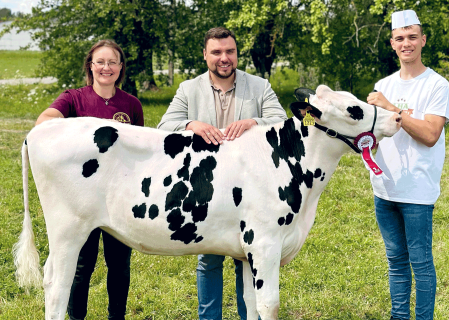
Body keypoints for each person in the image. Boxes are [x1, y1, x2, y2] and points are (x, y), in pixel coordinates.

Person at [158, 27, 287, 320]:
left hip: (252, 189)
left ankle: (249, 316)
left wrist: (254, 121)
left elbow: (282, 122)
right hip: (206, 190)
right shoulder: (188, 89)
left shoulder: (259, 86)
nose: (224, 58)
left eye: (229, 51)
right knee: (209, 260)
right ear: (205, 55)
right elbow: (164, 126)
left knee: (250, 259)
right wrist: (191, 124)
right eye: (216, 52)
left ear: (236, 54)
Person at [36, 39, 143, 320]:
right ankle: (76, 317)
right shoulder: (73, 98)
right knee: (81, 264)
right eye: (100, 62)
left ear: (121, 67)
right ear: (90, 66)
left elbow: (142, 152)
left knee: (119, 264)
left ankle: (116, 317)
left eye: (112, 62)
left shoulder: (131, 104)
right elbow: (45, 120)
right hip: (81, 198)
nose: (106, 67)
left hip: (121, 198)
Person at [366, 10, 449, 320]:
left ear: (423, 40)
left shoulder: (437, 86)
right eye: (400, 38)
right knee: (395, 262)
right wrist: (367, 139)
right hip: (384, 189)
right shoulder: (382, 84)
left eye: (412, 37)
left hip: (417, 191)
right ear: (392, 43)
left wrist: (392, 109)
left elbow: (430, 134)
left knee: (421, 263)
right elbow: (375, 135)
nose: (407, 43)